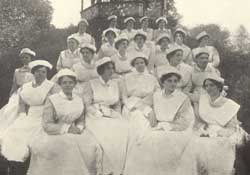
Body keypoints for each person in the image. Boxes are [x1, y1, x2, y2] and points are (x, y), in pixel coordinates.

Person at [27, 69, 109, 175]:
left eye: (70, 82)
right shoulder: (52, 99)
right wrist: (67, 129)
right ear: (60, 84)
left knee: (93, 145)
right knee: (69, 145)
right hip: (55, 132)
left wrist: (79, 128)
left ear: (74, 84)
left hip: (75, 130)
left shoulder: (78, 99)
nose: (67, 85)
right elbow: (47, 124)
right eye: (64, 83)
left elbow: (81, 119)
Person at [124, 67, 195, 175]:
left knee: (159, 140)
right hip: (158, 126)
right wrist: (150, 112)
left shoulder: (182, 98)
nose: (173, 84)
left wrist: (167, 126)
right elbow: (141, 104)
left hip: (176, 129)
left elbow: (185, 120)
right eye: (169, 81)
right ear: (163, 82)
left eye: (175, 81)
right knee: (143, 141)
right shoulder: (156, 95)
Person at [1, 60, 57, 175]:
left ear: (47, 73)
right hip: (28, 115)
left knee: (32, 138)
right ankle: (13, 166)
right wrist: (22, 115)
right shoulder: (26, 87)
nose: (40, 74)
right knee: (14, 134)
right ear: (33, 73)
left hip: (43, 116)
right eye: (38, 72)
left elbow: (50, 105)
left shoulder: (50, 86)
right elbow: (22, 103)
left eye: (43, 72)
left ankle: (26, 166)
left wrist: (45, 119)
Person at [84, 57, 129, 175]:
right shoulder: (91, 84)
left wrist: (117, 115)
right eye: (108, 68)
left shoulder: (115, 83)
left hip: (111, 114)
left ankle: (118, 168)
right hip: (94, 115)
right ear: (101, 69)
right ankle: (104, 169)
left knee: (123, 130)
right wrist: (97, 113)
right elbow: (87, 104)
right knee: (105, 135)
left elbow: (116, 103)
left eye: (112, 68)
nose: (111, 70)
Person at [191, 74, 244, 175]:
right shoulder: (203, 100)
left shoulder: (230, 104)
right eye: (206, 86)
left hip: (223, 133)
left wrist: (218, 133)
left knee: (214, 144)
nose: (208, 88)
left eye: (211, 85)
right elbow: (200, 121)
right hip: (206, 131)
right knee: (195, 143)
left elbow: (231, 127)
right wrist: (203, 130)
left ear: (219, 87)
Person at [121, 53, 159, 146]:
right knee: (137, 117)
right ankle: (136, 144)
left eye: (142, 62)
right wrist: (131, 105)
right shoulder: (127, 77)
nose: (140, 65)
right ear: (134, 65)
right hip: (132, 104)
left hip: (148, 102)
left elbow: (157, 92)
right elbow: (124, 96)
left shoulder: (152, 77)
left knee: (149, 121)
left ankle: (146, 144)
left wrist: (147, 103)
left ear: (145, 64)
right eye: (137, 63)